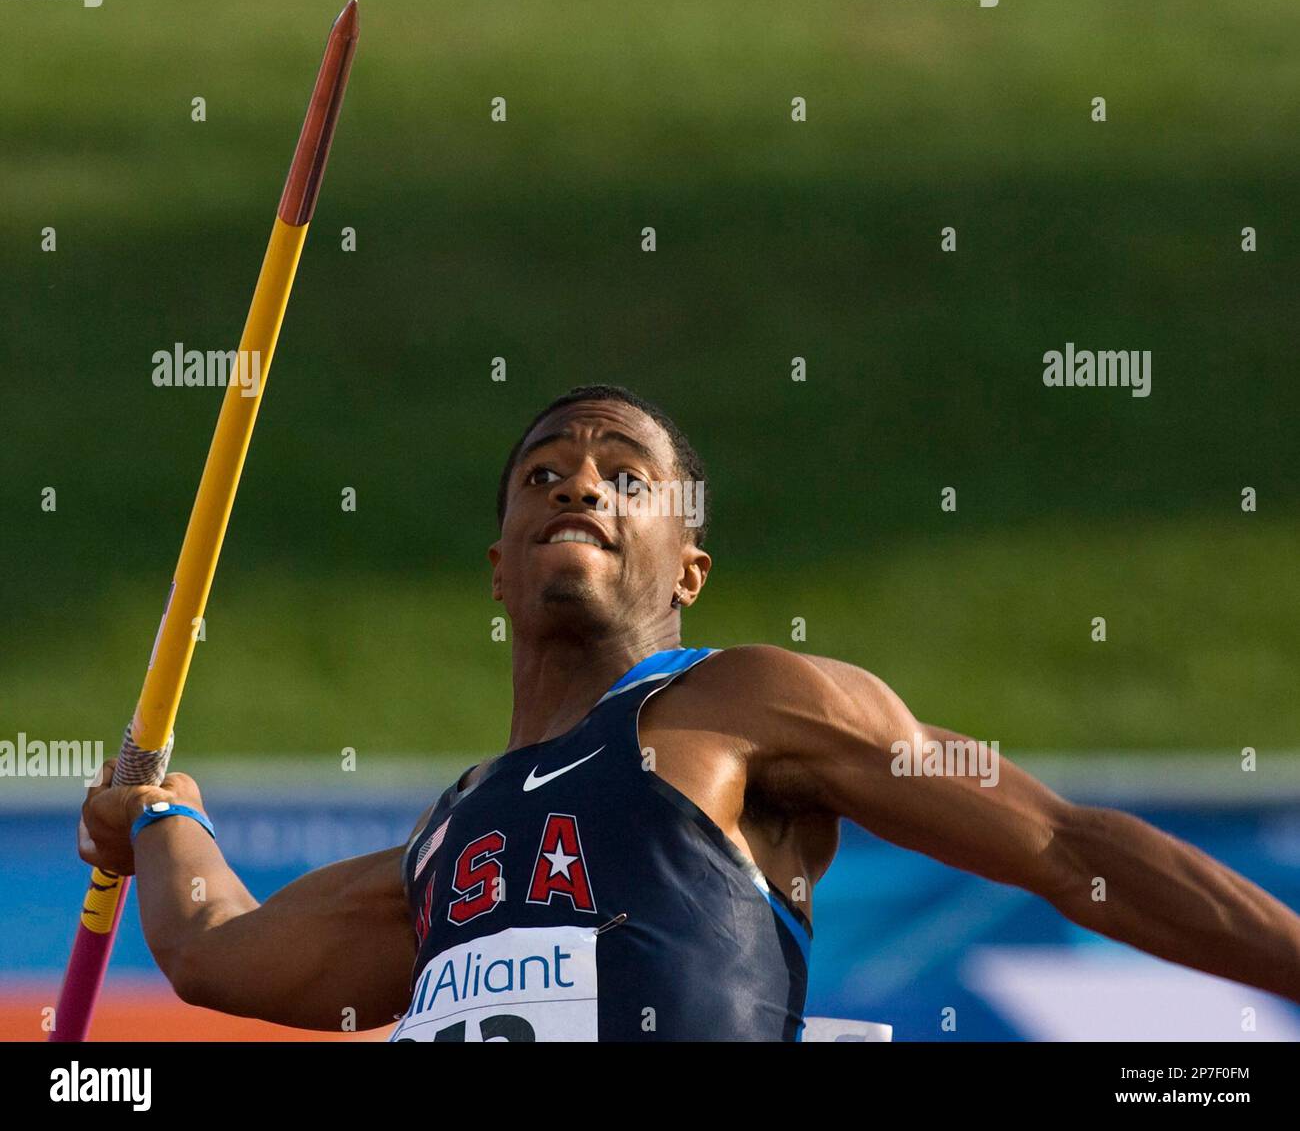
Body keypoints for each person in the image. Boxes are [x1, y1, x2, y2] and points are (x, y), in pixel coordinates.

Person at [79, 384, 1300, 1040]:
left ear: (690, 566)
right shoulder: (445, 844)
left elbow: (1066, 848)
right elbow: (217, 952)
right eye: (545, 473)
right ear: (498, 565)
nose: (581, 483)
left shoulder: (747, 701)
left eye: (627, 476)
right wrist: (160, 814)